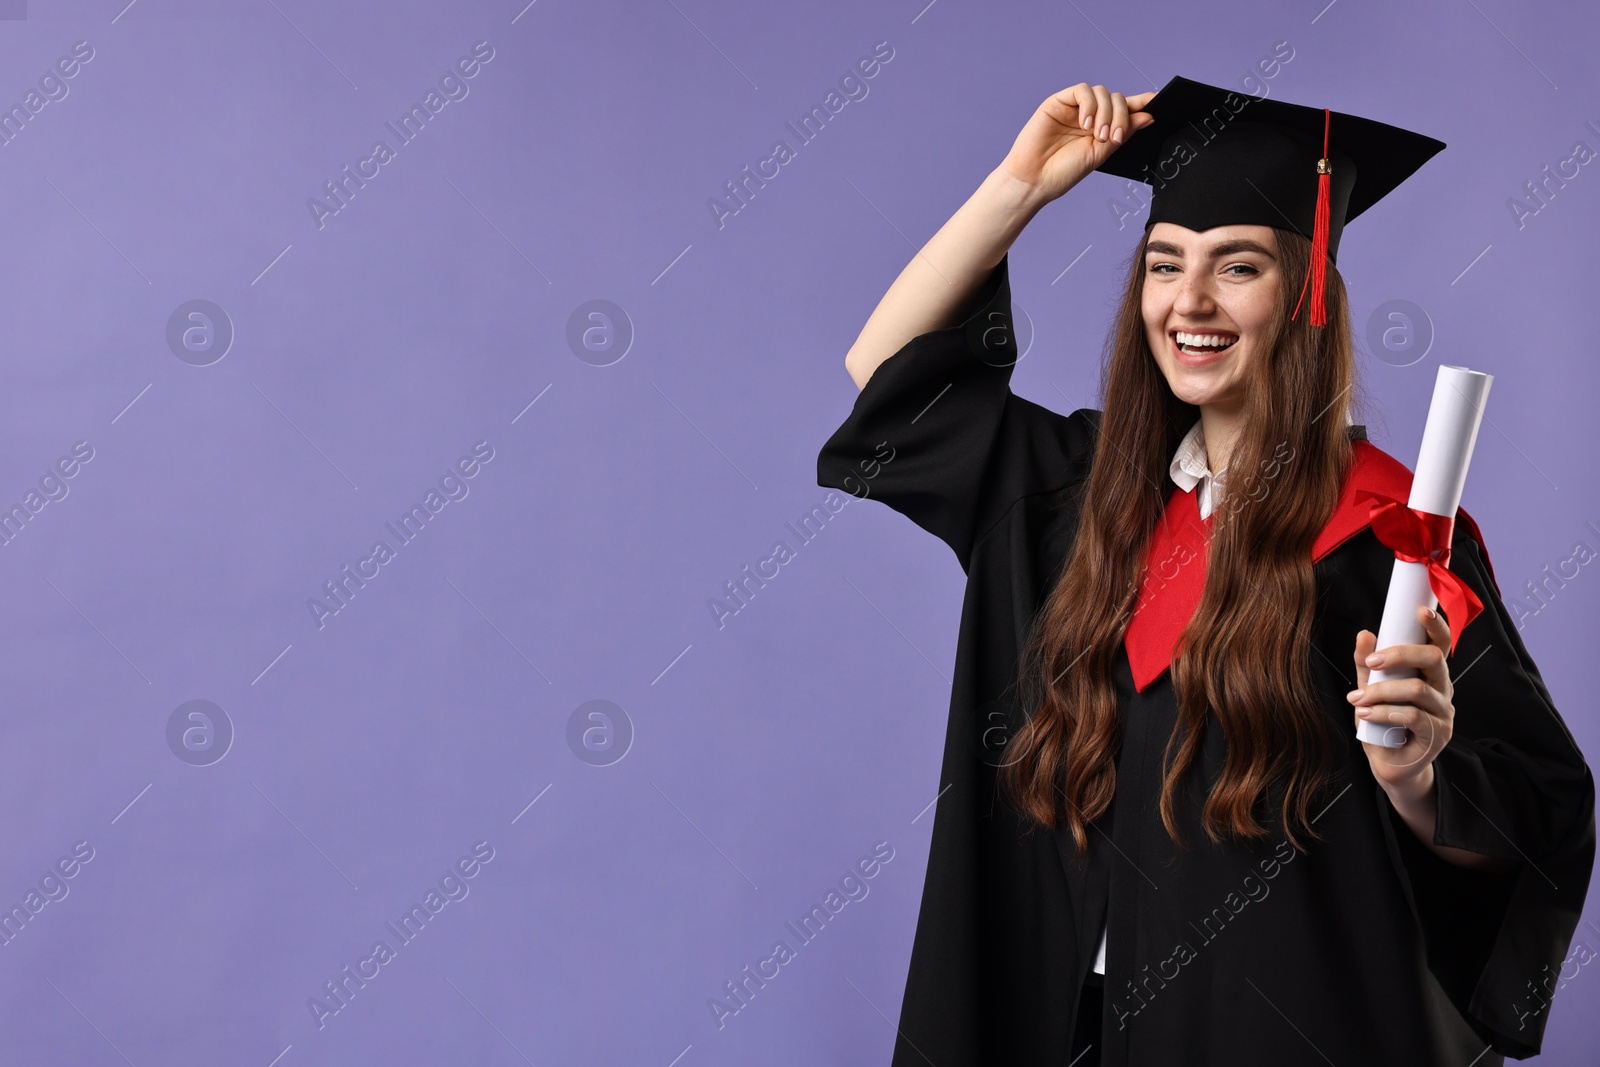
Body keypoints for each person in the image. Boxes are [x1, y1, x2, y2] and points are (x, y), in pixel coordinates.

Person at [817, 76, 1595, 1066]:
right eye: (1162, 264)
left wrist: (1416, 776)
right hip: (1064, 1026)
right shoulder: (1079, 497)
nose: (1189, 301)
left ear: (1307, 292)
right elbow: (886, 372)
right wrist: (1021, 184)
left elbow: (1543, 811)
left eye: (1236, 266)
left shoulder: (1385, 531)